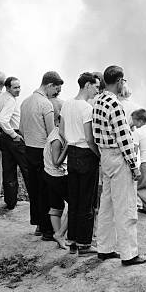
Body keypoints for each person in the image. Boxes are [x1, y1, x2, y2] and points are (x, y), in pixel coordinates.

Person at [92, 65, 146, 265]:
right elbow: (123, 137)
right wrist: (134, 165)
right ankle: (129, 254)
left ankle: (104, 248)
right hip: (118, 157)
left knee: (106, 204)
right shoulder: (115, 104)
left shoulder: (98, 100)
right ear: (119, 81)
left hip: (104, 156)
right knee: (126, 206)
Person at [60, 72, 101, 256]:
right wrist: (98, 155)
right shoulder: (86, 108)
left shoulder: (67, 104)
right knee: (87, 200)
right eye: (95, 86)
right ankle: (85, 243)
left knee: (74, 198)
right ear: (87, 85)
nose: (97, 90)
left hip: (72, 152)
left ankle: (72, 241)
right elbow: (89, 138)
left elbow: (61, 130)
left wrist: (71, 140)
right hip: (85, 153)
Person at [19, 71, 63, 240]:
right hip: (42, 150)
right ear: (50, 85)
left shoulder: (25, 102)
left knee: (35, 188)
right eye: (56, 88)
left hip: (28, 149)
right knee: (46, 190)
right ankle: (48, 230)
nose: (56, 92)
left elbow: (21, 129)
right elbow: (52, 134)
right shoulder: (46, 104)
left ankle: (38, 224)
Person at [0, 76, 29, 211]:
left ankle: (10, 202)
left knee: (9, 170)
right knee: (27, 169)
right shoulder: (10, 100)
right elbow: (3, 120)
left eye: (19, 87)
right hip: (13, 136)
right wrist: (14, 135)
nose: (18, 90)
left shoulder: (1, 97)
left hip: (4, 137)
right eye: (15, 87)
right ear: (8, 87)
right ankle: (35, 200)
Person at [43, 101, 69, 250]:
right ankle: (60, 234)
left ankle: (59, 237)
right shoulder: (57, 140)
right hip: (56, 175)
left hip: (48, 174)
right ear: (59, 121)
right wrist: (69, 147)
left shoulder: (54, 132)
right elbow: (56, 162)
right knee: (74, 203)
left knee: (55, 206)